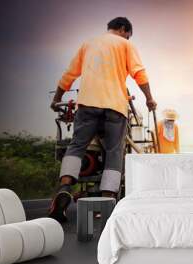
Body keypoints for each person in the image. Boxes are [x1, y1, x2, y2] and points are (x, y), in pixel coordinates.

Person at [48, 17, 157, 223]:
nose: (127, 37)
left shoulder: (88, 44)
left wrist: (56, 99)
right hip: (115, 107)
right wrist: (149, 99)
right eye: (128, 34)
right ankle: (107, 199)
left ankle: (64, 188)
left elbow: (68, 75)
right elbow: (139, 74)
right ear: (124, 29)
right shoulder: (125, 44)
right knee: (114, 151)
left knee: (77, 146)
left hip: (87, 104)